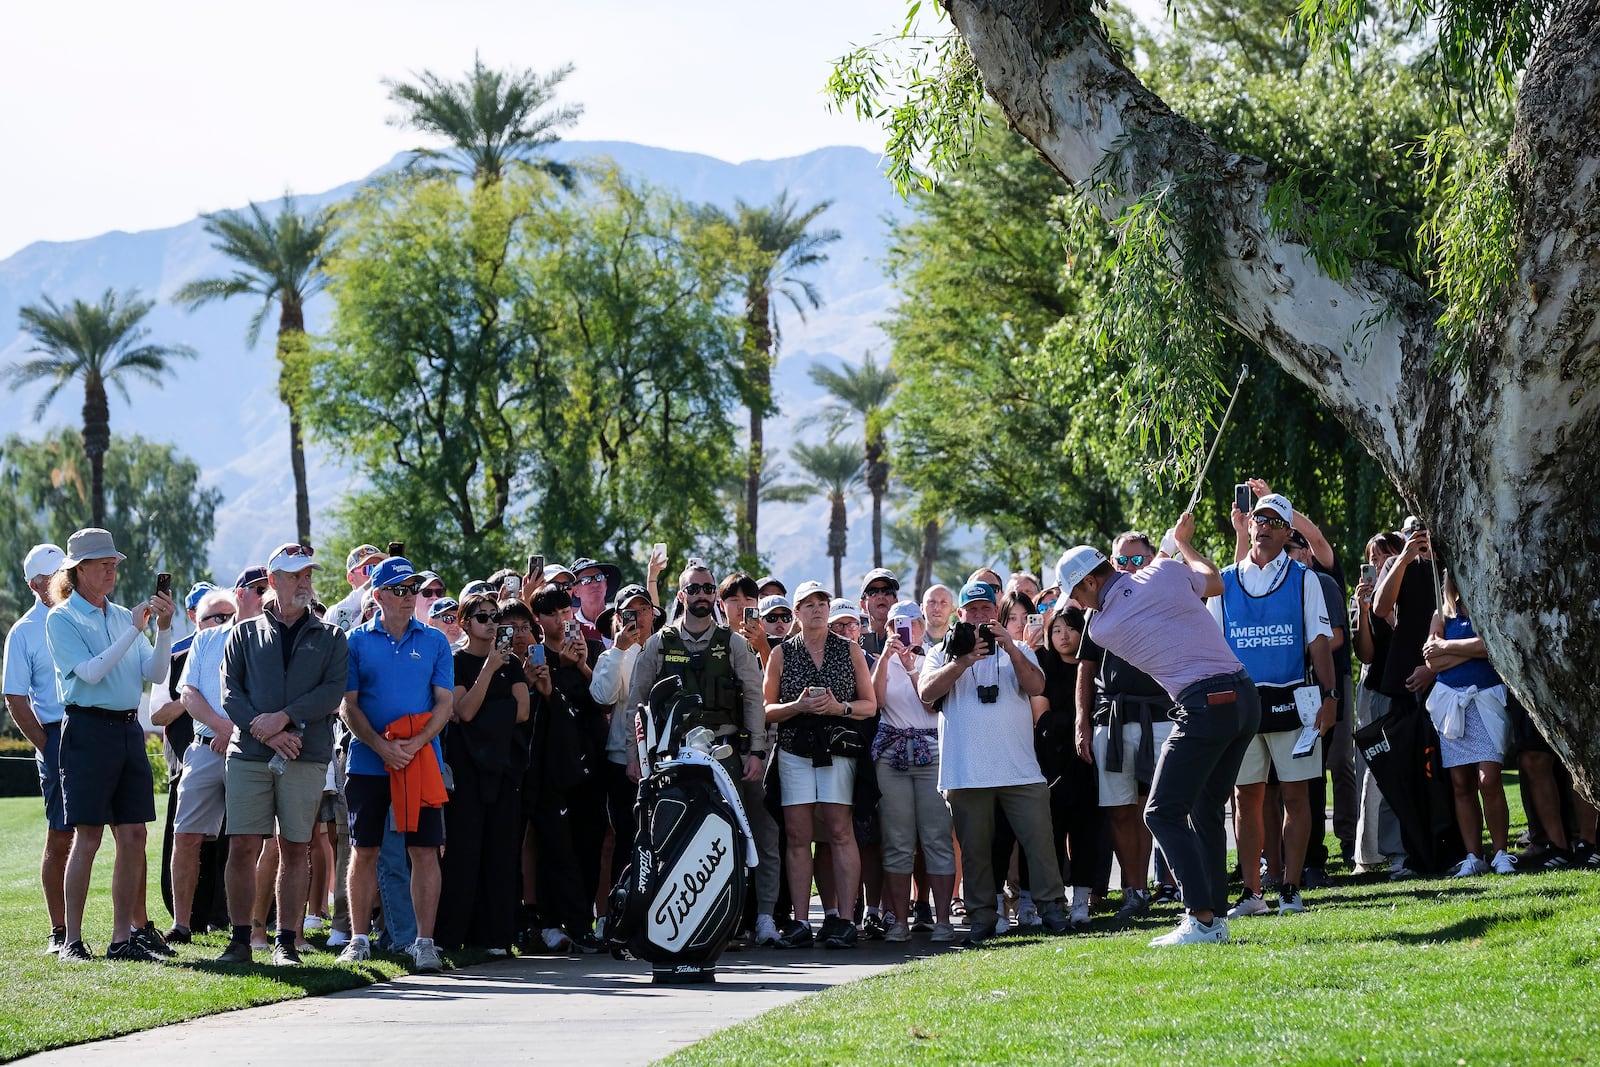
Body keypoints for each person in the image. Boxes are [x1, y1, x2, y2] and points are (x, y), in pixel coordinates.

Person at [1057, 512, 1259, 948]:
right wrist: (1182, 544)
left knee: (1160, 812)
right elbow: (1213, 580)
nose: (1077, 604)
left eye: (1075, 593)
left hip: (1204, 704)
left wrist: (1167, 552)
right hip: (1244, 698)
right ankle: (1216, 921)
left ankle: (1200, 918)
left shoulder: (1103, 626)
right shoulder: (1166, 570)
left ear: (1090, 582)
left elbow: (1131, 595)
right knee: (1204, 811)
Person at [45, 528, 177, 962]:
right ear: (78, 570)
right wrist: (132, 628)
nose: (111, 571)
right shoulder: (61, 618)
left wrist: (162, 629)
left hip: (125, 730)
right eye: (103, 564)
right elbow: (93, 672)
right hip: (87, 729)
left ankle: (122, 938)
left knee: (135, 834)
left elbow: (157, 674)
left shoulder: (122, 615)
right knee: (88, 836)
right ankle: (72, 941)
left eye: (114, 564)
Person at [624, 564, 776, 942]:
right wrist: (633, 755)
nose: (702, 595)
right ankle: (670, 921)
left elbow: (755, 698)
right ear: (681, 596)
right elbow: (636, 704)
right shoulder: (660, 643)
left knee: (740, 836)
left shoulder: (734, 643)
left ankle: (745, 920)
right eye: (694, 590)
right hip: (671, 756)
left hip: (724, 754)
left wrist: (756, 750)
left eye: (708, 588)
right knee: (668, 836)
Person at [215, 543, 350, 966]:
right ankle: (240, 941)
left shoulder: (331, 635)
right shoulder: (243, 631)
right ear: (273, 581)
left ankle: (286, 943)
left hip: (305, 755)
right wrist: (269, 732)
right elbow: (230, 693)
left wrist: (286, 718)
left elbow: (332, 691)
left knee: (295, 847)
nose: (304, 583)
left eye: (308, 575)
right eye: (295, 576)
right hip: (251, 753)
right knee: (242, 845)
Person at [919, 580, 1069, 944]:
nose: (979, 616)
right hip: (966, 772)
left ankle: (1052, 910)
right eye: (972, 610)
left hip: (1019, 768)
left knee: (1040, 842)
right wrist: (964, 660)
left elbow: (1036, 686)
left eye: (986, 609)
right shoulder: (944, 651)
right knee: (975, 852)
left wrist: (1010, 648)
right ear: (961, 614)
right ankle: (982, 917)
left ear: (995, 612)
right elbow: (926, 693)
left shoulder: (1017, 648)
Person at [1214, 494, 1336, 918]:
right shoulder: (1224, 581)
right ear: (1248, 527)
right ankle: (1252, 891)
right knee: (1245, 798)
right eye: (1258, 519)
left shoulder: (1305, 579)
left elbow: (1318, 643)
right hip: (1242, 706)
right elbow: (1214, 647)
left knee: (1296, 796)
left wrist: (1331, 695)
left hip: (1293, 701)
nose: (1263, 525)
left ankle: (1290, 887)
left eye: (1273, 521)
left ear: (1287, 533)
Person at [337, 557, 453, 972]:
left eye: (414, 590)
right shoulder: (354, 641)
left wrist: (417, 742)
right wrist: (381, 747)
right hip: (369, 761)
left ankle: (424, 943)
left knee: (424, 851)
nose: (409, 597)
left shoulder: (436, 641)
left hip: (420, 761)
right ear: (379, 595)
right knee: (363, 849)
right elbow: (347, 705)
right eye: (400, 590)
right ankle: (359, 939)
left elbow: (444, 702)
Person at [763, 579, 876, 949]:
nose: (816, 608)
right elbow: (767, 710)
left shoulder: (849, 650)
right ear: (796, 612)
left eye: (822, 602)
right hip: (795, 749)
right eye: (808, 604)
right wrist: (797, 706)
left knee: (840, 831)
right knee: (797, 835)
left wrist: (837, 708)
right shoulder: (782, 653)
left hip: (838, 751)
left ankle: (844, 919)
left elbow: (868, 705)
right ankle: (799, 921)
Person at [1074, 532, 1177, 920]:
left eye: (1138, 560)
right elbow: (1086, 668)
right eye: (1122, 562)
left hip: (1162, 716)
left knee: (1160, 808)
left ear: (1152, 561)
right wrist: (1082, 721)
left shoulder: (1166, 600)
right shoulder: (1096, 608)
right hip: (1112, 720)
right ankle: (1134, 890)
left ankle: (1174, 885)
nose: (1130, 568)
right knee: (1119, 811)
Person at [436, 591, 530, 953]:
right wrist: (490, 671)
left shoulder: (513, 664)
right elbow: (464, 711)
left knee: (501, 851)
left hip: (504, 769)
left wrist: (495, 706)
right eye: (483, 617)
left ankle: (495, 936)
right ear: (465, 624)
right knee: (464, 850)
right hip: (468, 768)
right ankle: (453, 934)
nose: (492, 624)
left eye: (495, 617)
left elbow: (523, 711)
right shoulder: (458, 661)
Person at [870, 603, 956, 942]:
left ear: (921, 627)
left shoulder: (934, 658)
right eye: (895, 623)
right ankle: (900, 922)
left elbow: (930, 703)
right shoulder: (882, 662)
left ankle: (944, 920)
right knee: (897, 840)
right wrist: (885, 661)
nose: (903, 630)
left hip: (931, 752)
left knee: (936, 838)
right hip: (892, 754)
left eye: (909, 624)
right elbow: (875, 702)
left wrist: (909, 668)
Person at [1423, 571, 1517, 877]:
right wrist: (1470, 649)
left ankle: (1501, 852)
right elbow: (1431, 662)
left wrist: (1449, 647)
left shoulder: (1487, 605)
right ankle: (1474, 855)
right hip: (1451, 702)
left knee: (1488, 779)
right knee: (1461, 783)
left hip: (1486, 699)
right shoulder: (1442, 611)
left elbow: (1490, 647)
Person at [3, 543, 71, 955]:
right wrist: (47, 745)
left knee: (124, 832)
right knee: (61, 837)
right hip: (55, 733)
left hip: (97, 729)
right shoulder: (25, 631)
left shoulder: (82, 615)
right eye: (53, 575)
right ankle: (59, 930)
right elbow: (14, 698)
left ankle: (133, 929)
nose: (64, 578)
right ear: (34, 584)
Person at [166, 587, 241, 943]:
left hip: (247, 750)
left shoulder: (251, 639)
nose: (224, 622)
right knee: (186, 836)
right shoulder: (203, 642)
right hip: (204, 749)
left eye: (230, 615)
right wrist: (223, 728)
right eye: (216, 616)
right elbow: (189, 695)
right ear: (198, 619)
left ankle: (249, 927)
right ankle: (182, 924)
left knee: (252, 839)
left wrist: (236, 733)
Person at [858, 568, 900, 656]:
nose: (881, 596)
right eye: (873, 592)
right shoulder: (854, 640)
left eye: (887, 591)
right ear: (863, 604)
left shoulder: (906, 638)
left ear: (896, 602)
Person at [920, 584, 955, 650]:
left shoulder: (961, 641)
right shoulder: (912, 641)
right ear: (922, 608)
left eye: (943, 602)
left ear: (952, 609)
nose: (937, 608)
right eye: (932, 602)